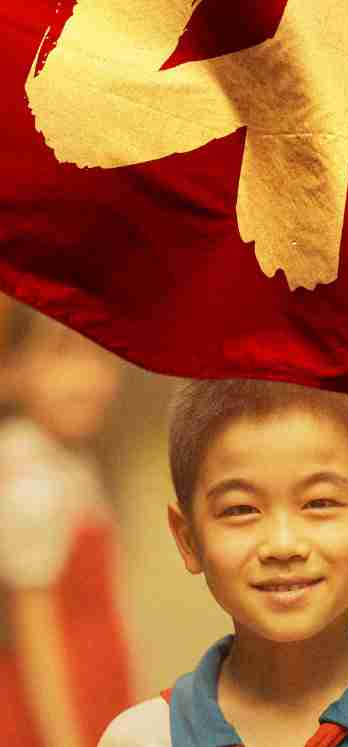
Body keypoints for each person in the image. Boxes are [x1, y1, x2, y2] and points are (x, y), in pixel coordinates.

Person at [98, 378, 348, 747]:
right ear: (187, 538)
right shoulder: (140, 739)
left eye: (319, 502)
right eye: (240, 509)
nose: (283, 544)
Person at [0, 304, 135, 747]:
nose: (90, 378)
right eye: (63, 354)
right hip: (52, 715)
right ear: (10, 370)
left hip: (90, 693)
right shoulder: (28, 474)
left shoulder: (64, 460)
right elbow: (35, 635)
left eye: (100, 354)